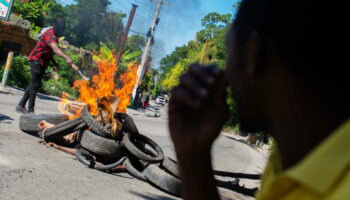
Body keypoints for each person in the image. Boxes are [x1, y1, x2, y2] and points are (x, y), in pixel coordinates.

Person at [169, 0, 348, 200]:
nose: (224, 70)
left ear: (253, 54)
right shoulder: (288, 158)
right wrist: (194, 158)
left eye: (229, 51)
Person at [16, 18, 79, 114]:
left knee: (34, 84)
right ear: (57, 27)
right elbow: (55, 49)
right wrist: (67, 58)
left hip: (41, 62)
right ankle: (30, 111)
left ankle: (21, 105)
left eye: (63, 29)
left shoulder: (55, 35)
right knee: (35, 84)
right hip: (36, 59)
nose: (62, 31)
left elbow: (49, 51)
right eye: (61, 29)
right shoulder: (50, 34)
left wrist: (54, 63)